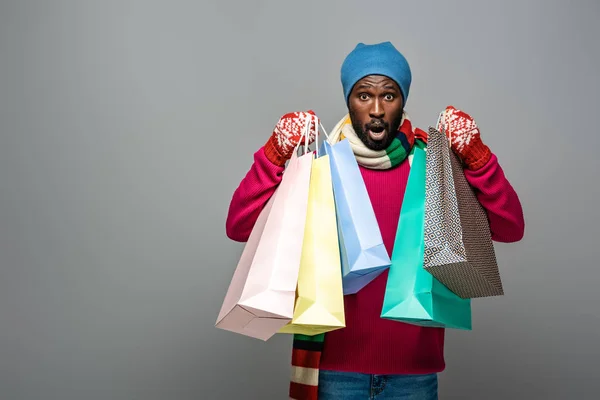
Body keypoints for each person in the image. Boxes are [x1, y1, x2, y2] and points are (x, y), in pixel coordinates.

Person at [225, 42, 525, 399]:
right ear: (349, 100)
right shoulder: (320, 165)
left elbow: (510, 228)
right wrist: (275, 151)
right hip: (335, 373)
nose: (377, 109)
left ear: (403, 100)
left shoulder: (430, 166)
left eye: (389, 95)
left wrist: (476, 156)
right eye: (364, 95)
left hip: (414, 375)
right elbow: (239, 226)